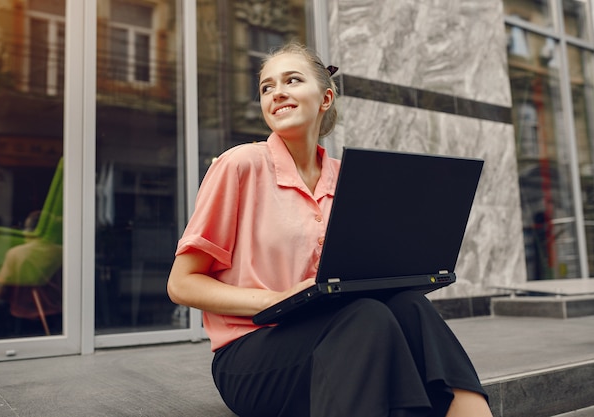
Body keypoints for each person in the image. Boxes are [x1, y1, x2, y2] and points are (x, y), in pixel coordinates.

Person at [167, 42, 492, 417]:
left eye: (292, 80)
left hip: (343, 336)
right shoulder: (240, 165)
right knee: (367, 318)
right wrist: (279, 298)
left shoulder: (348, 177)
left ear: (325, 98)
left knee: (409, 305)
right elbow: (181, 284)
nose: (278, 93)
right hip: (253, 355)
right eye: (267, 87)